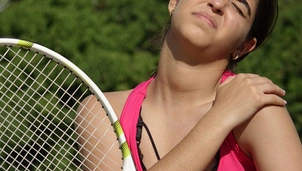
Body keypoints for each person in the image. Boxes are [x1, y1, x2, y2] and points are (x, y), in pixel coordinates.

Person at [77, 0, 302, 170]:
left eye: (237, 7)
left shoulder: (258, 111)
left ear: (242, 47)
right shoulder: (103, 112)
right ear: (174, 1)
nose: (218, 4)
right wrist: (219, 118)